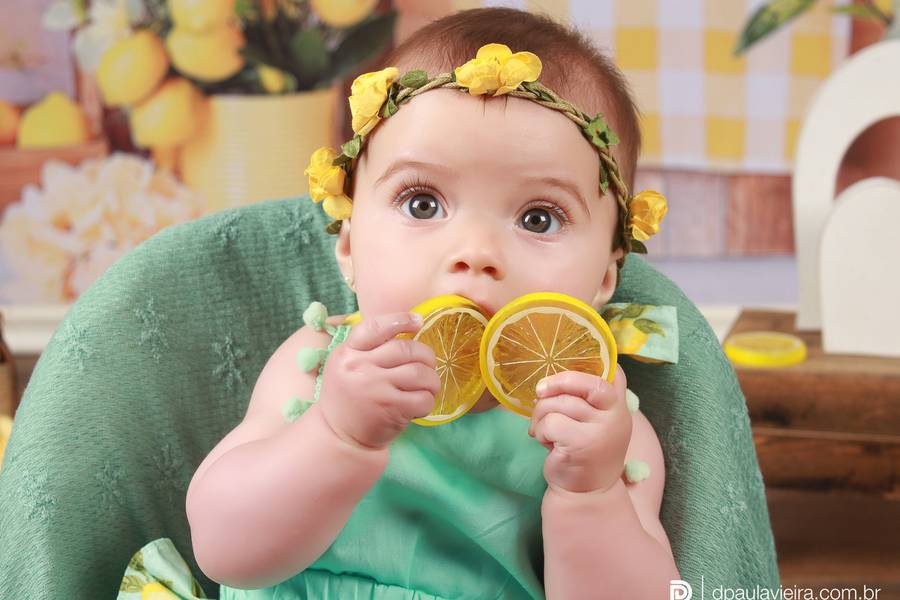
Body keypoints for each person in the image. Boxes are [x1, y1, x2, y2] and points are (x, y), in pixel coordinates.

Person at [120, 7, 680, 599]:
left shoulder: (600, 424)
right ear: (351, 246)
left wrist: (589, 496)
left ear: (604, 278)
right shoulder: (317, 363)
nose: (476, 253)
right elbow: (223, 551)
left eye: (539, 217)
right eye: (421, 203)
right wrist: (336, 434)